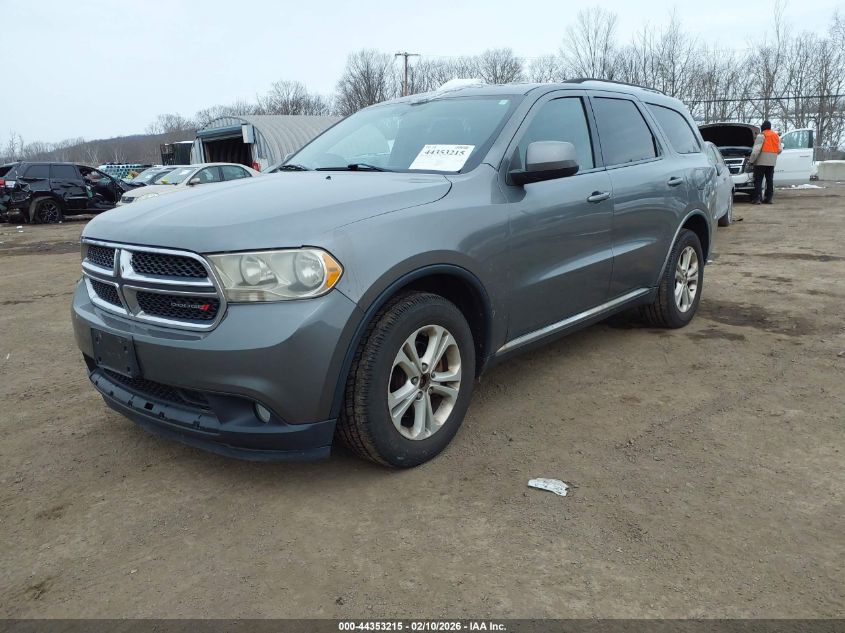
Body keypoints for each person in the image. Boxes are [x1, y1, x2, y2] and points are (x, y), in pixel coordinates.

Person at [749, 120, 782, 205]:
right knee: (769, 180)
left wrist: (751, 160)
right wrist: (772, 155)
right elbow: (780, 149)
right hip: (771, 162)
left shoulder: (761, 135)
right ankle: (769, 198)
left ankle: (757, 199)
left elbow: (756, 150)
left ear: (762, 127)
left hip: (760, 162)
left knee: (758, 180)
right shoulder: (776, 136)